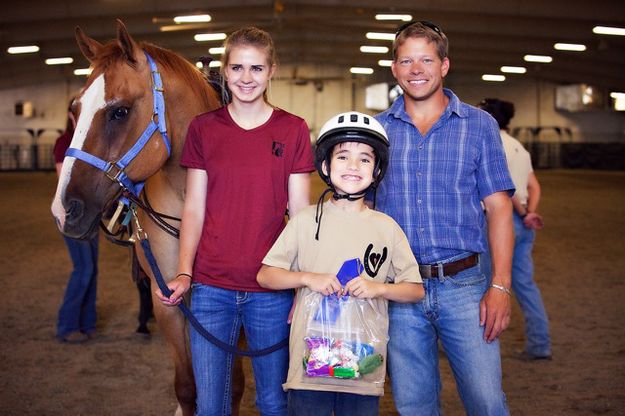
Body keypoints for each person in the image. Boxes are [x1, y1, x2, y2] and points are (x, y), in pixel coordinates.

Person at [156, 27, 314, 416]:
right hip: (212, 290)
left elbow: (300, 214)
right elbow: (194, 207)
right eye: (238, 67)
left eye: (256, 68)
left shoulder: (292, 129)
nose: (247, 78)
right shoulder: (204, 129)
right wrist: (184, 273)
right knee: (212, 406)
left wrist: (303, 283)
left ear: (271, 70)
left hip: (271, 290)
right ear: (225, 71)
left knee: (274, 402)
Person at [374, 21, 516, 415]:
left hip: (465, 286)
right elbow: (361, 211)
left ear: (444, 65)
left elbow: (500, 208)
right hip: (400, 289)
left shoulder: (479, 126)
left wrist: (501, 286)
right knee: (414, 404)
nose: (416, 69)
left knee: (486, 401)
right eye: (406, 60)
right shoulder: (378, 131)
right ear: (394, 68)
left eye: (426, 59)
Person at [257, 111, 424, 416]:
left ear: (376, 171)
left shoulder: (386, 227)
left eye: (364, 159)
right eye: (343, 157)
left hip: (362, 362)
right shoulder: (305, 221)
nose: (353, 166)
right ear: (325, 165)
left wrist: (378, 288)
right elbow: (266, 276)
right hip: (311, 364)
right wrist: (308, 278)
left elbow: (415, 290)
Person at [478, 98, 551, 360]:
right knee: (525, 285)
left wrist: (522, 212)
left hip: (501, 222)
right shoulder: (519, 147)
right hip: (523, 224)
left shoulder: (492, 143)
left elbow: (502, 191)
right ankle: (540, 343)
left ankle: (478, 343)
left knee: (482, 283)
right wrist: (530, 212)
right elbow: (535, 186)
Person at [54, 101, 99, 344]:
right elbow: (66, 181)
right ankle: (67, 324)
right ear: (71, 115)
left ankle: (87, 322)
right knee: (84, 269)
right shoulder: (65, 142)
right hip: (71, 211)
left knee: (92, 269)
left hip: (89, 211)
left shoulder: (89, 140)